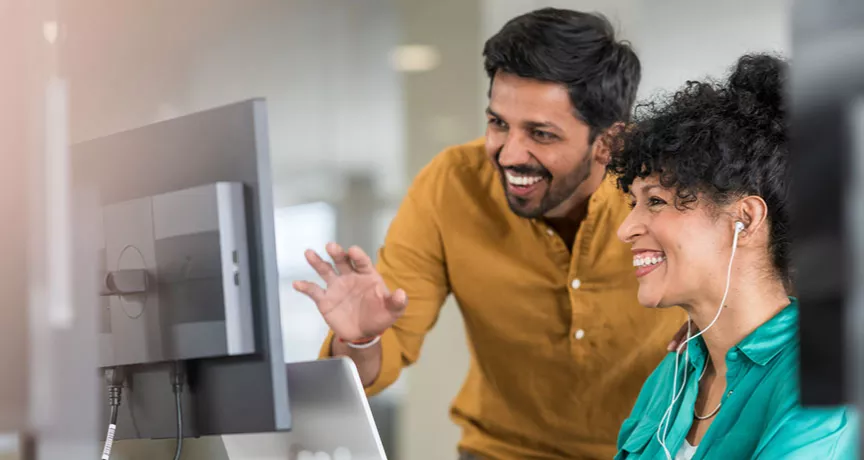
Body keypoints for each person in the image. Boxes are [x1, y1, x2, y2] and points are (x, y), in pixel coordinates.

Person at [294, 8, 685, 459]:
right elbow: (384, 355)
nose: (509, 153)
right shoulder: (451, 184)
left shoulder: (672, 190)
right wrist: (361, 339)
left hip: (654, 450)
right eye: (499, 123)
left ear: (609, 142)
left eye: (541, 133)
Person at [610, 54, 859, 459]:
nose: (626, 230)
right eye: (633, 203)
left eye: (655, 201)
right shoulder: (672, 377)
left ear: (745, 218)